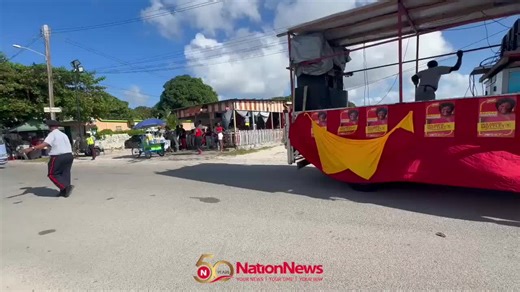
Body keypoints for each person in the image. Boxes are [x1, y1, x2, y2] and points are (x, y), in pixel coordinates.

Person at [23, 120, 74, 197]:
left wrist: (31, 148)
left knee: (52, 174)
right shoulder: (63, 134)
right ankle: (64, 191)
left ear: (50, 127)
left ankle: (66, 187)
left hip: (58, 156)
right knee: (65, 173)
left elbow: (44, 144)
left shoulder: (52, 134)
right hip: (69, 155)